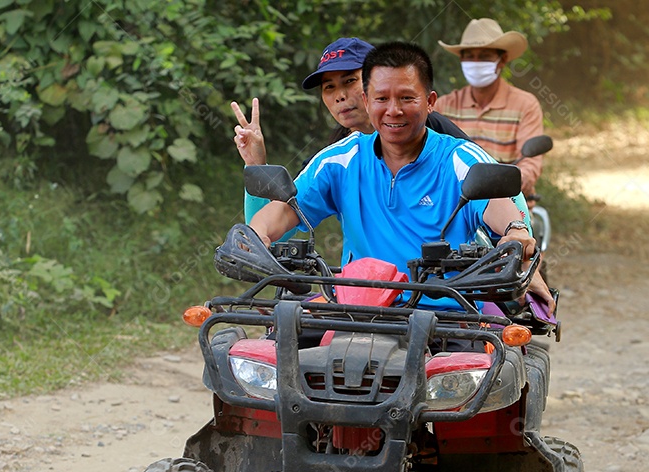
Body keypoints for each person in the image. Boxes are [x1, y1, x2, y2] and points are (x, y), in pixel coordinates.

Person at [247, 41, 551, 311]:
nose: (393, 110)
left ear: (430, 102)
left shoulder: (459, 157)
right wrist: (255, 236)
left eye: (407, 98)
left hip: (447, 315)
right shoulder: (338, 160)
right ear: (367, 101)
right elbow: (284, 210)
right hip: (356, 312)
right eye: (381, 99)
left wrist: (516, 233)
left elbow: (499, 202)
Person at [232, 37, 471, 225]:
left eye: (349, 81)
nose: (340, 96)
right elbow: (272, 226)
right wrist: (256, 167)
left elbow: (487, 193)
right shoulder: (334, 159)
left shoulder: (435, 133)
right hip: (369, 279)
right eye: (329, 87)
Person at [435, 19, 545, 198]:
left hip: (509, 203)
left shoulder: (525, 105)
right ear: (462, 60)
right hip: (456, 205)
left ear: (502, 60)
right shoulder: (444, 106)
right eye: (470, 56)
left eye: (485, 56)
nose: (476, 62)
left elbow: (529, 165)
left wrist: (514, 181)